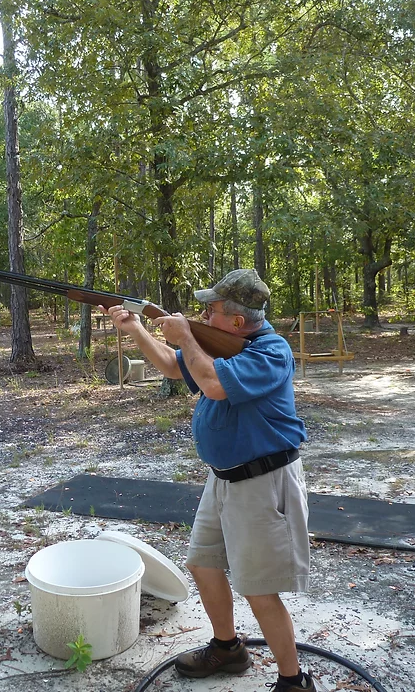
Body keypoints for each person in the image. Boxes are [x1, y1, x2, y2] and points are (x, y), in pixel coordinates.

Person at [100, 268, 314, 692]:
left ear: (236, 320)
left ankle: (293, 682)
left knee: (259, 589)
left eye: (210, 310)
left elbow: (213, 384)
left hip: (262, 482)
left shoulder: (270, 351)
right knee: (203, 564)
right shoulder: (222, 343)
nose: (202, 315)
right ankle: (228, 648)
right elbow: (171, 366)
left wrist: (186, 337)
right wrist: (137, 328)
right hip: (223, 481)